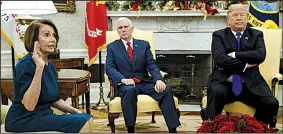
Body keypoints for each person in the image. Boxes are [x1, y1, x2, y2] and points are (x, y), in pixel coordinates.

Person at [5, 19, 93, 133]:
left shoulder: (50, 66)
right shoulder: (25, 64)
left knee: (87, 117)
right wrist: (39, 68)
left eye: (54, 36)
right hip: (23, 119)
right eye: (46, 35)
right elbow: (29, 105)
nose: (52, 39)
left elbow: (55, 100)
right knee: (83, 122)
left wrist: (75, 111)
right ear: (34, 40)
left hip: (43, 115)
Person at [205, 4, 279, 127]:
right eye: (235, 15)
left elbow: (260, 55)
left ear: (247, 18)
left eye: (242, 15)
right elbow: (220, 59)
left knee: (271, 103)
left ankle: (254, 127)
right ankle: (211, 128)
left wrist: (235, 55)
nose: (239, 18)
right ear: (228, 20)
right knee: (216, 92)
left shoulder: (256, 35)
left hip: (250, 84)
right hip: (225, 83)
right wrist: (245, 65)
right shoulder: (219, 35)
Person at [105, 17, 181, 133]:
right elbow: (109, 68)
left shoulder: (143, 45)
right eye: (120, 28)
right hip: (126, 84)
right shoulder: (112, 47)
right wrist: (122, 79)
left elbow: (152, 65)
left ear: (132, 29)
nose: (123, 30)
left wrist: (158, 80)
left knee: (166, 89)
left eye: (126, 27)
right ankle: (131, 129)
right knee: (129, 91)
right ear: (117, 31)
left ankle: (173, 129)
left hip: (144, 82)